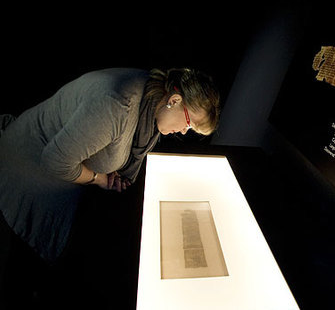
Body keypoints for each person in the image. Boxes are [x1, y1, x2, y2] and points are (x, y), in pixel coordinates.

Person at [0, 67, 220, 261]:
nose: (183, 131)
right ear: (174, 100)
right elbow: (55, 162)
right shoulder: (117, 106)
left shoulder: (152, 98)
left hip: (60, 166)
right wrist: (99, 178)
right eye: (188, 124)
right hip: (29, 166)